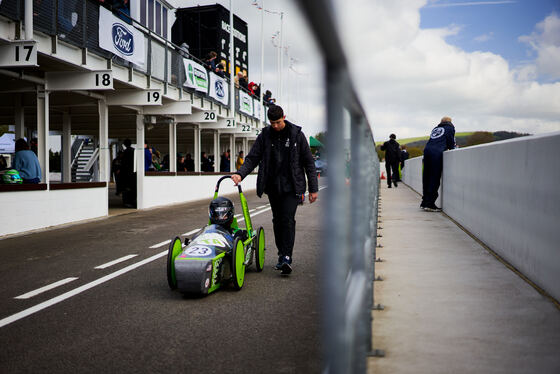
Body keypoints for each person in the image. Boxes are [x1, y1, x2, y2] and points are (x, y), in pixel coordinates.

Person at [231, 105, 318, 275]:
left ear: (284, 117)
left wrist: (313, 189)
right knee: (277, 221)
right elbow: (252, 158)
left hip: (292, 186)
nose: (276, 126)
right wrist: (240, 174)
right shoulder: (265, 135)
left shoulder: (296, 135)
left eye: (278, 122)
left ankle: (286, 257)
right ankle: (281, 254)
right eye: (272, 123)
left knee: (287, 219)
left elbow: (308, 162)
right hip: (272, 186)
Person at [421, 116, 456, 212]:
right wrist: (452, 148)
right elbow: (450, 142)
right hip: (436, 153)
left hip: (427, 151)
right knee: (434, 178)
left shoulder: (436, 128)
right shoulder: (450, 128)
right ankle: (430, 204)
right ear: (450, 122)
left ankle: (424, 202)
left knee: (426, 177)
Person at [121, 139, 136, 208]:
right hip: (134, 172)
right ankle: (133, 201)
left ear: (124, 144)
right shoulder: (134, 151)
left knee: (126, 188)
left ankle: (127, 202)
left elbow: (123, 163)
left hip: (126, 173)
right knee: (133, 188)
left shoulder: (125, 152)